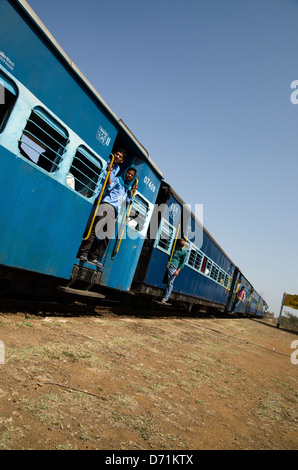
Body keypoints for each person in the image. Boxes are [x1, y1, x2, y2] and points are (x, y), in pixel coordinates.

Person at [77, 167, 137, 267]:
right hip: (107, 205)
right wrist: (109, 174)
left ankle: (94, 257)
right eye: (129, 173)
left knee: (107, 235)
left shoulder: (127, 189)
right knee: (95, 230)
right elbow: (109, 187)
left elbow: (127, 202)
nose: (129, 176)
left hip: (114, 212)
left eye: (132, 175)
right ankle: (83, 253)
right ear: (125, 173)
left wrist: (132, 191)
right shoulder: (118, 180)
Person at [161, 237, 187, 304]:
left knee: (170, 283)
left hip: (174, 267)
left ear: (185, 242)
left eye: (183, 240)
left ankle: (165, 298)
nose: (181, 241)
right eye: (180, 240)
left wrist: (177, 271)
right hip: (167, 264)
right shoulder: (174, 246)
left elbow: (182, 263)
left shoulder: (184, 252)